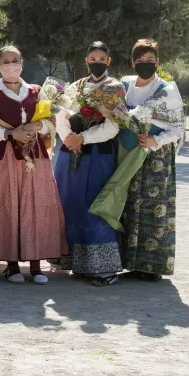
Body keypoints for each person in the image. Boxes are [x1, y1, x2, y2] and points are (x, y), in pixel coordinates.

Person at [0, 46, 65, 284]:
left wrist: (36, 127)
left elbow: (50, 122)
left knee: (35, 205)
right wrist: (10, 134)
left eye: (15, 60)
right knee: (6, 206)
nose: (11, 65)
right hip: (2, 157)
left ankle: (36, 265)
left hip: (34, 157)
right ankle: (12, 265)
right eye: (5, 61)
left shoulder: (39, 92)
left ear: (22, 63)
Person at [53, 41, 126, 286]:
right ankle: (75, 261)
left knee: (94, 206)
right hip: (70, 153)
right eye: (92, 57)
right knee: (70, 203)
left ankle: (103, 268)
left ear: (109, 61)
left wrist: (83, 137)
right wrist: (69, 139)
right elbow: (60, 116)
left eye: (101, 58)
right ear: (86, 60)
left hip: (98, 153)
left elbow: (114, 125)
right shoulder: (74, 87)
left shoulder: (115, 88)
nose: (96, 62)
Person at [119, 39, 184, 281]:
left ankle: (152, 267)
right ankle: (131, 263)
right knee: (130, 205)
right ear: (133, 62)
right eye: (140, 60)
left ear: (158, 61)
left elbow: (177, 128)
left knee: (154, 210)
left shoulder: (167, 89)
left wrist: (155, 142)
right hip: (128, 153)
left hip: (156, 156)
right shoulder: (125, 85)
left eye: (150, 60)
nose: (145, 64)